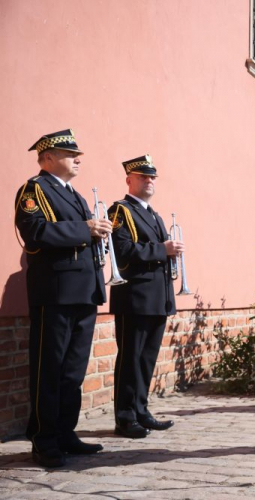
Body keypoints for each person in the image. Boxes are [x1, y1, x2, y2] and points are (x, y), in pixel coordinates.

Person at [14, 129, 111, 467]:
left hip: (83, 290)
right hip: (55, 292)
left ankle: (65, 433)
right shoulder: (34, 189)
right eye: (71, 154)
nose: (78, 159)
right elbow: (34, 232)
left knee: (72, 370)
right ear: (48, 157)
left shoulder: (75, 194)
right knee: (49, 369)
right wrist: (86, 228)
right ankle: (43, 439)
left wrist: (96, 231)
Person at [107, 155, 183, 438]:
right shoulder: (120, 211)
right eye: (142, 177)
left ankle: (140, 410)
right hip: (134, 297)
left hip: (157, 297)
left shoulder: (154, 214)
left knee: (146, 359)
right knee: (130, 358)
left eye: (152, 177)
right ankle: (125, 417)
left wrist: (169, 252)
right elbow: (123, 251)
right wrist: (163, 249)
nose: (149, 181)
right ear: (129, 180)